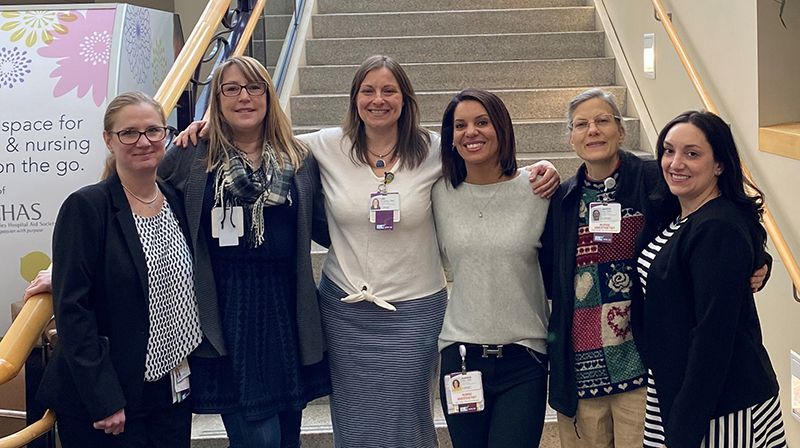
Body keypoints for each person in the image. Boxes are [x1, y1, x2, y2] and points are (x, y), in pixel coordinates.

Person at [176, 54, 559, 448]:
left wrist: (540, 169)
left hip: (416, 310)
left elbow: (484, 158)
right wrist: (210, 125)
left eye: (389, 90)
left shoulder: (433, 149)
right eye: (368, 90)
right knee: (354, 422)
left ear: (405, 99)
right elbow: (262, 137)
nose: (378, 99)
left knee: (408, 420)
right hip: (345, 311)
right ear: (355, 99)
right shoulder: (325, 146)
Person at [542, 89, 770, 448]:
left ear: (621, 131)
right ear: (570, 138)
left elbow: (726, 220)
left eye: (603, 120)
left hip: (643, 369)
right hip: (581, 374)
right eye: (581, 124)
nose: (593, 131)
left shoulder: (658, 182)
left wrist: (759, 258)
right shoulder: (562, 199)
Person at [158, 55, 331, 448]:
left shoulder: (298, 158)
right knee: (260, 439)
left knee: (288, 437)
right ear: (216, 100)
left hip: (285, 309)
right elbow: (135, 196)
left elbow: (329, 227)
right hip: (224, 312)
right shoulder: (192, 152)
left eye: (254, 87)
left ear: (269, 96)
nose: (244, 97)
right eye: (231, 89)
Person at [35, 91, 203, 447]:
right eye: (129, 133)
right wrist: (105, 400)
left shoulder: (174, 198)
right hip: (112, 400)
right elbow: (73, 310)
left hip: (172, 392)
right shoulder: (87, 207)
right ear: (109, 140)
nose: (143, 141)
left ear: (166, 136)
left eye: (153, 131)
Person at [638, 110, 786, 448]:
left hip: (718, 404)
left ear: (719, 164)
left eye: (692, 153)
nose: (675, 163)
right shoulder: (681, 214)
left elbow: (713, 336)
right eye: (668, 150)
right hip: (681, 390)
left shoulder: (717, 226)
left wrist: (684, 428)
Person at [432, 89, 550, 447]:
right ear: (450, 137)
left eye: (482, 122)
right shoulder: (437, 193)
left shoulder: (538, 188)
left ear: (502, 128)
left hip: (524, 358)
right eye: (460, 125)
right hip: (461, 358)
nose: (471, 132)